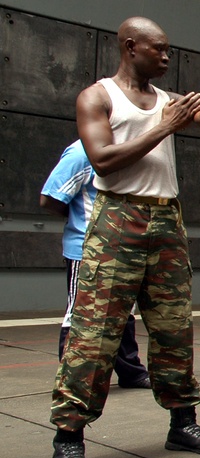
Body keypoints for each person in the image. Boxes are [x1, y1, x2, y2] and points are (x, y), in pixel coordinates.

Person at [49, 16, 200, 458]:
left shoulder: (166, 100)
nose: (167, 58)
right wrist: (164, 127)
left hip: (165, 219)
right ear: (131, 47)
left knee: (173, 328)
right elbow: (103, 157)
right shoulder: (98, 96)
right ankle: (69, 435)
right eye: (159, 50)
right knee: (96, 331)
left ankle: (182, 422)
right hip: (116, 219)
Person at [41, 140, 151, 389]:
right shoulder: (82, 152)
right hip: (87, 250)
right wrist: (86, 223)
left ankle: (130, 372)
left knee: (124, 312)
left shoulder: (131, 148)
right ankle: (73, 379)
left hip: (125, 248)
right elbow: (50, 197)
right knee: (80, 312)